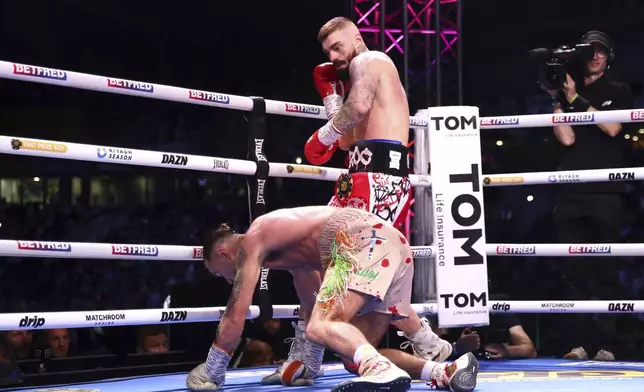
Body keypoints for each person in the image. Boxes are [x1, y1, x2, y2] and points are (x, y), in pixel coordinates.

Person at [265, 16, 449, 383]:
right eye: (327, 51)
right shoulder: (356, 75)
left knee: (344, 265)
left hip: (380, 179)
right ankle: (424, 342)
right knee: (310, 252)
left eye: (337, 46)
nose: (333, 56)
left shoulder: (371, 60)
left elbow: (359, 109)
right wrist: (332, 97)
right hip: (359, 178)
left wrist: (324, 134)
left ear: (357, 37)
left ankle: (313, 353)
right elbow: (348, 141)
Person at [186, 206, 479, 392]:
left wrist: (212, 369)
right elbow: (311, 302)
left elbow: (236, 314)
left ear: (223, 254)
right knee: (355, 351)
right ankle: (445, 371)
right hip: (389, 243)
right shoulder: (292, 253)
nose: (225, 279)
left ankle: (382, 368)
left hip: (358, 239)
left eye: (217, 272)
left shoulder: (254, 238)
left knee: (324, 328)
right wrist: (308, 364)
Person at [549, 30, 634, 245]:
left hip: (604, 190)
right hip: (570, 189)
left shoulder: (619, 90)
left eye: (601, 52)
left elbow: (613, 127)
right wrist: (557, 100)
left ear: (609, 57)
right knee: (573, 270)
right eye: (590, 52)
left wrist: (576, 99)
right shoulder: (569, 91)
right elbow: (567, 138)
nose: (595, 57)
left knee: (605, 268)